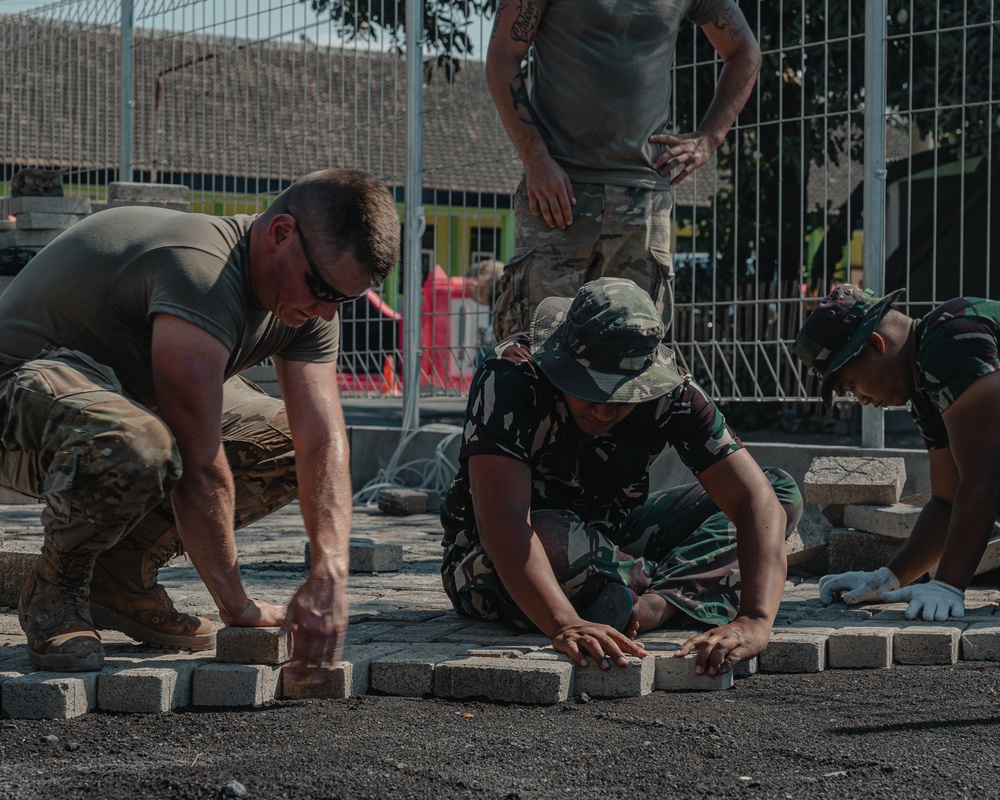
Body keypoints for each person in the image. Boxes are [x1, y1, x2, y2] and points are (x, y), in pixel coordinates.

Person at [0, 168, 400, 680]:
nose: (326, 313)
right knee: (138, 445)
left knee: (281, 442)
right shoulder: (200, 272)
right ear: (281, 233)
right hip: (18, 399)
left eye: (342, 300)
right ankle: (58, 590)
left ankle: (119, 576)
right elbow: (200, 467)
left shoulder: (307, 302)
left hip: (112, 401)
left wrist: (330, 571)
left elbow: (321, 441)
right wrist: (238, 607)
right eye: (322, 288)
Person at [440, 277, 802, 675]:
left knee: (780, 492)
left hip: (613, 533)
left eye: (623, 396)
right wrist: (564, 625)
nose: (605, 410)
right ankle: (660, 584)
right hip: (498, 556)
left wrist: (755, 619)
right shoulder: (511, 374)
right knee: (553, 536)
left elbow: (755, 499)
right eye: (590, 390)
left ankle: (652, 605)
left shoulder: (673, 390)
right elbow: (502, 520)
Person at [486, 0, 762, 341]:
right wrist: (535, 159)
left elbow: (745, 51)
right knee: (536, 350)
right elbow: (502, 56)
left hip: (644, 202)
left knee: (634, 359)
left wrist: (709, 137)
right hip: (558, 194)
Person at [795, 284, 1000, 622]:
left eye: (851, 384)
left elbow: (987, 476)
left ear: (876, 344)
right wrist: (887, 579)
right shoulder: (925, 394)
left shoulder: (949, 338)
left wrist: (948, 585)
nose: (860, 400)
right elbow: (948, 501)